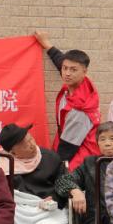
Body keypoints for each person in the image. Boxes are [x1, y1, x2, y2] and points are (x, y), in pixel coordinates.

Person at [33, 31, 100, 170]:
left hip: (80, 157)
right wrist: (46, 44)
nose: (67, 73)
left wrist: (52, 169)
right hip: (69, 141)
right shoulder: (79, 83)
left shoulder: (80, 108)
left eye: (73, 70)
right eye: (65, 68)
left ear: (84, 72)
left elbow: (67, 148)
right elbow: (61, 62)